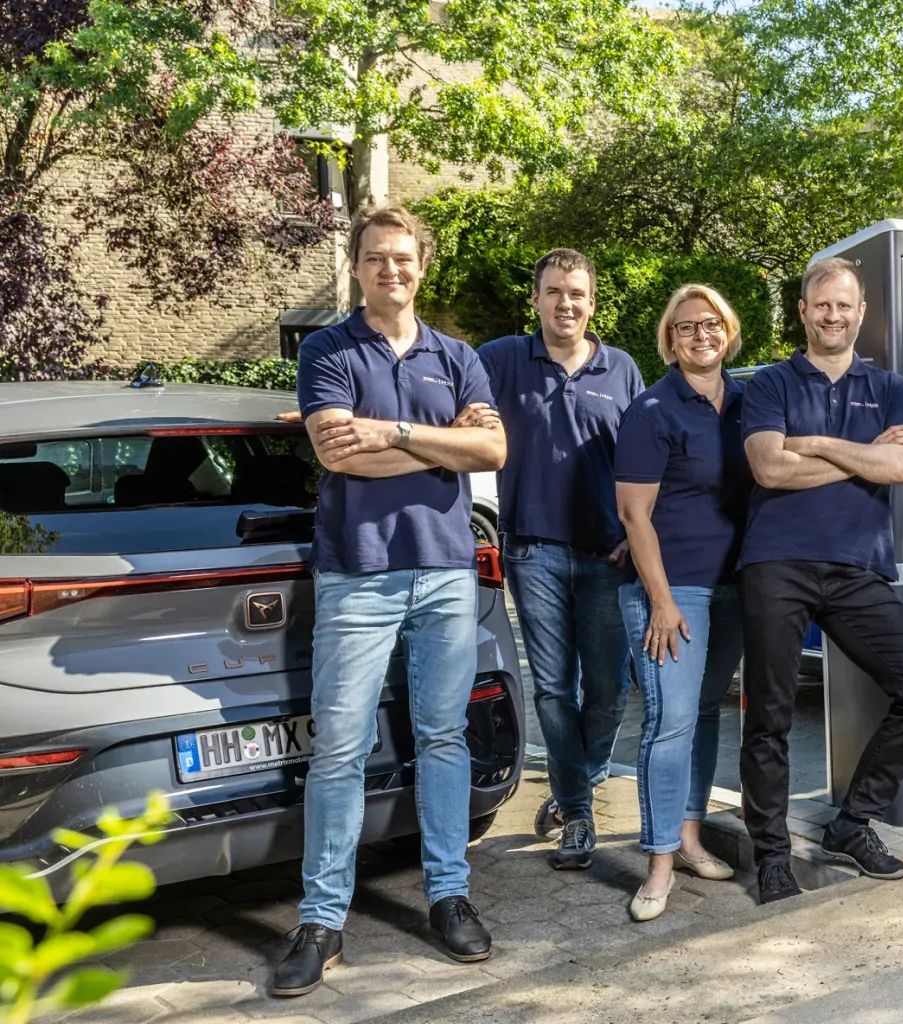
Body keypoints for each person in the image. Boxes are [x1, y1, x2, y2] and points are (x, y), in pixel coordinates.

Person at [278, 205, 506, 997]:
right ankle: (320, 918)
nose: (391, 270)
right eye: (376, 258)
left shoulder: (458, 355)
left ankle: (449, 896)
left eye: (403, 258)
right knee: (339, 748)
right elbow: (339, 454)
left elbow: (493, 450)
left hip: (444, 570)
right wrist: (437, 441)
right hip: (360, 573)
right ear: (357, 267)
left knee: (444, 738)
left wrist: (394, 434)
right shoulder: (327, 349)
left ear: (422, 265)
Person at [738, 257, 903, 904]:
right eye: (821, 305)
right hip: (777, 561)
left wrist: (817, 445)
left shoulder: (891, 388)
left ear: (862, 313)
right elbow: (769, 471)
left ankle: (852, 824)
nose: (833, 315)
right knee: (770, 717)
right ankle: (772, 857)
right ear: (802, 312)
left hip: (859, 567)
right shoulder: (771, 384)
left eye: (845, 306)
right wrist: (867, 458)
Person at [477, 249, 645, 870]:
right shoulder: (499, 361)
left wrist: (639, 531)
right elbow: (445, 405)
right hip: (533, 551)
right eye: (554, 292)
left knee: (606, 691)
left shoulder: (621, 369)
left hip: (609, 555)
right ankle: (577, 810)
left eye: (576, 293)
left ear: (592, 301)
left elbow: (644, 463)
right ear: (536, 299)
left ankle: (585, 775)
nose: (565, 304)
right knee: (553, 688)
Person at [613, 285, 751, 922]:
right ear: (670, 340)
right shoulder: (652, 409)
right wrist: (662, 602)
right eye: (688, 327)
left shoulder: (749, 401)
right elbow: (634, 515)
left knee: (705, 712)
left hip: (735, 586)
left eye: (712, 324)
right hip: (677, 590)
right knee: (669, 724)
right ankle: (659, 863)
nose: (702, 336)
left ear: (729, 332)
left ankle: (691, 837)